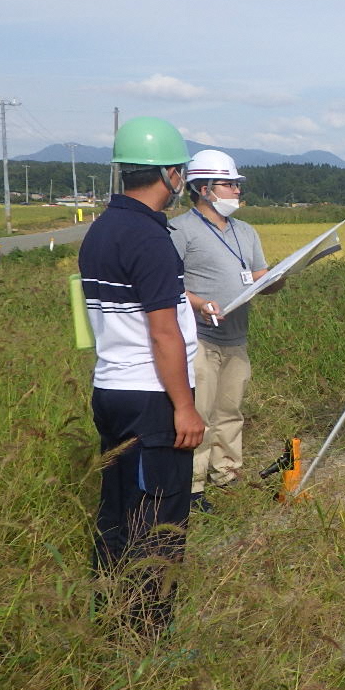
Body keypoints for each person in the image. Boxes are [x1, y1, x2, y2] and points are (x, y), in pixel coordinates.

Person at [78, 117, 206, 637]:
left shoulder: (103, 228)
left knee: (117, 510)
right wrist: (185, 406)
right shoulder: (150, 238)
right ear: (171, 174)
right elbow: (163, 335)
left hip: (111, 387)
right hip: (152, 397)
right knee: (158, 520)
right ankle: (146, 636)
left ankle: (105, 617)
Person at [169, 149, 275, 508]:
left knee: (230, 410)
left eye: (236, 185)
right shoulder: (180, 230)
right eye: (228, 185)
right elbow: (169, 283)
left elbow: (259, 275)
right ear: (203, 189)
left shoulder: (245, 231)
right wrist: (200, 304)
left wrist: (278, 279)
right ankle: (194, 485)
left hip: (236, 336)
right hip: (199, 337)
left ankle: (226, 473)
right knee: (201, 413)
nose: (236, 191)